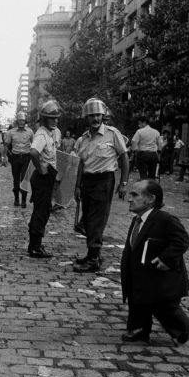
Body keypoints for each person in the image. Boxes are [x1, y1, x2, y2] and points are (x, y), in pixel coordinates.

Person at [121, 180, 189, 344]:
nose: (129, 198)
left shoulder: (165, 219)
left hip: (161, 279)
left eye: (135, 195)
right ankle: (139, 330)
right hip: (140, 275)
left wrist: (166, 258)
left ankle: (181, 329)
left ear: (151, 199)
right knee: (138, 303)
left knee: (164, 307)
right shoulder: (137, 219)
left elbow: (181, 240)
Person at [73, 98, 130, 272]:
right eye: (91, 116)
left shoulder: (113, 134)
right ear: (86, 118)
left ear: (103, 115)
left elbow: (124, 158)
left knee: (97, 220)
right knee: (88, 220)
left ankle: (93, 259)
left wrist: (123, 183)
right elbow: (81, 164)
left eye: (98, 115)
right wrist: (77, 186)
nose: (95, 119)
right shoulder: (83, 139)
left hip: (104, 181)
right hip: (87, 182)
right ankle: (93, 254)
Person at [27, 100, 61, 258]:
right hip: (43, 177)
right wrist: (41, 168)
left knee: (43, 210)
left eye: (56, 118)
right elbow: (33, 152)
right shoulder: (41, 134)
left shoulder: (51, 132)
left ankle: (35, 243)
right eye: (51, 118)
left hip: (48, 176)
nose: (55, 120)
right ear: (44, 119)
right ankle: (35, 246)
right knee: (41, 211)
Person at [5, 111, 34, 207]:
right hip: (15, 158)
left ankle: (24, 200)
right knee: (16, 179)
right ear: (17, 121)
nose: (21, 122)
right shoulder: (11, 132)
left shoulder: (30, 132)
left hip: (26, 158)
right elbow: (7, 145)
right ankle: (16, 199)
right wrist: (4, 156)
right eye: (20, 120)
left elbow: (34, 145)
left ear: (25, 121)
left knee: (24, 179)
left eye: (23, 120)